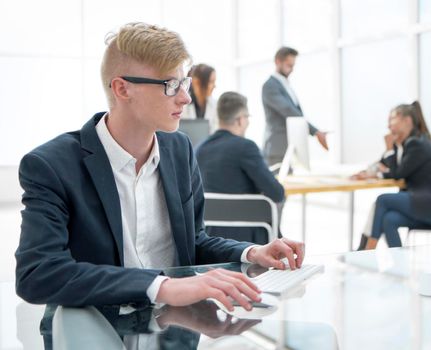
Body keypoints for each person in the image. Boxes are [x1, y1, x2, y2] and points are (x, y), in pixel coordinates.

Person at [15, 22, 305, 313]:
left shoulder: (179, 150)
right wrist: (162, 286)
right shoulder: (52, 166)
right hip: (95, 327)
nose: (185, 97)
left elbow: (193, 242)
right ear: (122, 88)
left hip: (174, 326)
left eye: (184, 83)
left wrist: (251, 252)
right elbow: (37, 274)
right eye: (170, 85)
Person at [196, 91, 285, 244]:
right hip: (248, 238)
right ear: (240, 120)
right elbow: (277, 193)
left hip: (210, 238)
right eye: (248, 117)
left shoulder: (199, 149)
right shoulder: (246, 147)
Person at [355, 101, 431, 249]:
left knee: (382, 200)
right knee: (389, 219)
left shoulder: (417, 144)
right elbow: (384, 164)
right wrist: (369, 172)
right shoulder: (404, 144)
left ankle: (368, 249)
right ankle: (400, 261)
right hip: (420, 204)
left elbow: (398, 174)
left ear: (407, 121)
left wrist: (389, 149)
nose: (388, 126)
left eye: (392, 119)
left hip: (428, 205)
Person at [262, 46, 329, 167]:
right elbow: (289, 110)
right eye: (289, 65)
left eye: (293, 66)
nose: (291, 69)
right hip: (276, 149)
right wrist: (315, 132)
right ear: (278, 61)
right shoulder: (270, 86)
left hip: (289, 148)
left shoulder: (285, 85)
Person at [182, 63, 218, 132]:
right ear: (196, 82)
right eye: (211, 82)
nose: (214, 86)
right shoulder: (183, 105)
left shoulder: (215, 105)